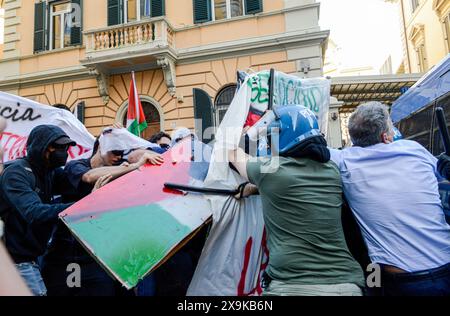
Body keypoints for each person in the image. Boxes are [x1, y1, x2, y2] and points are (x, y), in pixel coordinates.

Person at [228, 105, 365, 296]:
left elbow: (232, 153)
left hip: (293, 285)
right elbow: (296, 190)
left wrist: (255, 129)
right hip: (347, 284)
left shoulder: (271, 170)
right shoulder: (331, 171)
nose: (269, 144)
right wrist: (253, 190)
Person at [330, 101, 450, 296]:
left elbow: (289, 154)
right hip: (444, 269)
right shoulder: (413, 149)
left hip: (398, 281)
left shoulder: (343, 160)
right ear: (385, 137)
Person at [41, 130, 163, 296]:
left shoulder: (120, 169)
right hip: (66, 255)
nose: (118, 157)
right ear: (99, 147)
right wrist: (132, 167)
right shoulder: (76, 166)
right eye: (114, 151)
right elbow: (89, 177)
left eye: (122, 152)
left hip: (97, 258)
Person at [0, 125, 77, 296]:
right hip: (14, 261)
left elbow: (81, 181)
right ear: (41, 147)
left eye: (65, 148)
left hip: (33, 257)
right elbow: (34, 212)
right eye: (56, 147)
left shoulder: (49, 173)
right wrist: (80, 208)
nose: (63, 152)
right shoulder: (16, 173)